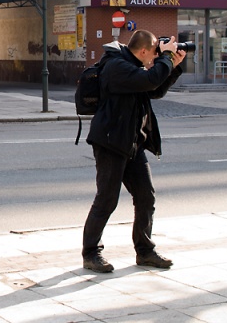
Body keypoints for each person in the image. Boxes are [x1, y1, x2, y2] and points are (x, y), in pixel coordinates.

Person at [82, 30, 185, 273]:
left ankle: (145, 251)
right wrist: (166, 59)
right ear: (143, 51)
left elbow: (154, 89)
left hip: (132, 143)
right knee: (106, 199)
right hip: (110, 143)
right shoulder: (117, 66)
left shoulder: (133, 67)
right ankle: (91, 253)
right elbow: (149, 80)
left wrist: (175, 66)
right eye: (153, 54)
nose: (154, 58)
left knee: (146, 197)